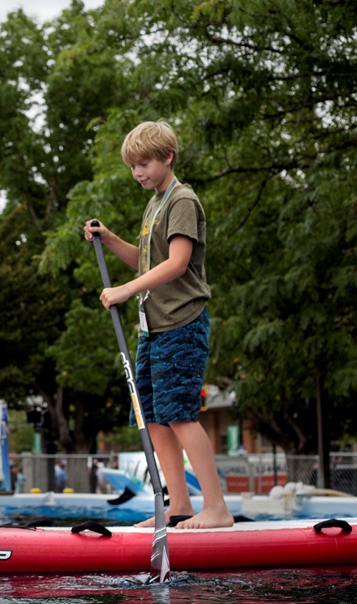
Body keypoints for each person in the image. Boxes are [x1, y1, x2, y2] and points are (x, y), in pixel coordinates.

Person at [83, 121, 233, 530]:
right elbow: (149, 262)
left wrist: (125, 290)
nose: (138, 172)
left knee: (180, 413)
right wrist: (110, 238)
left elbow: (177, 263)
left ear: (167, 157)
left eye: (144, 163)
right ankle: (179, 506)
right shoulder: (154, 203)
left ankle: (217, 508)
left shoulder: (182, 199)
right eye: (132, 166)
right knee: (152, 416)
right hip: (153, 329)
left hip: (181, 323)